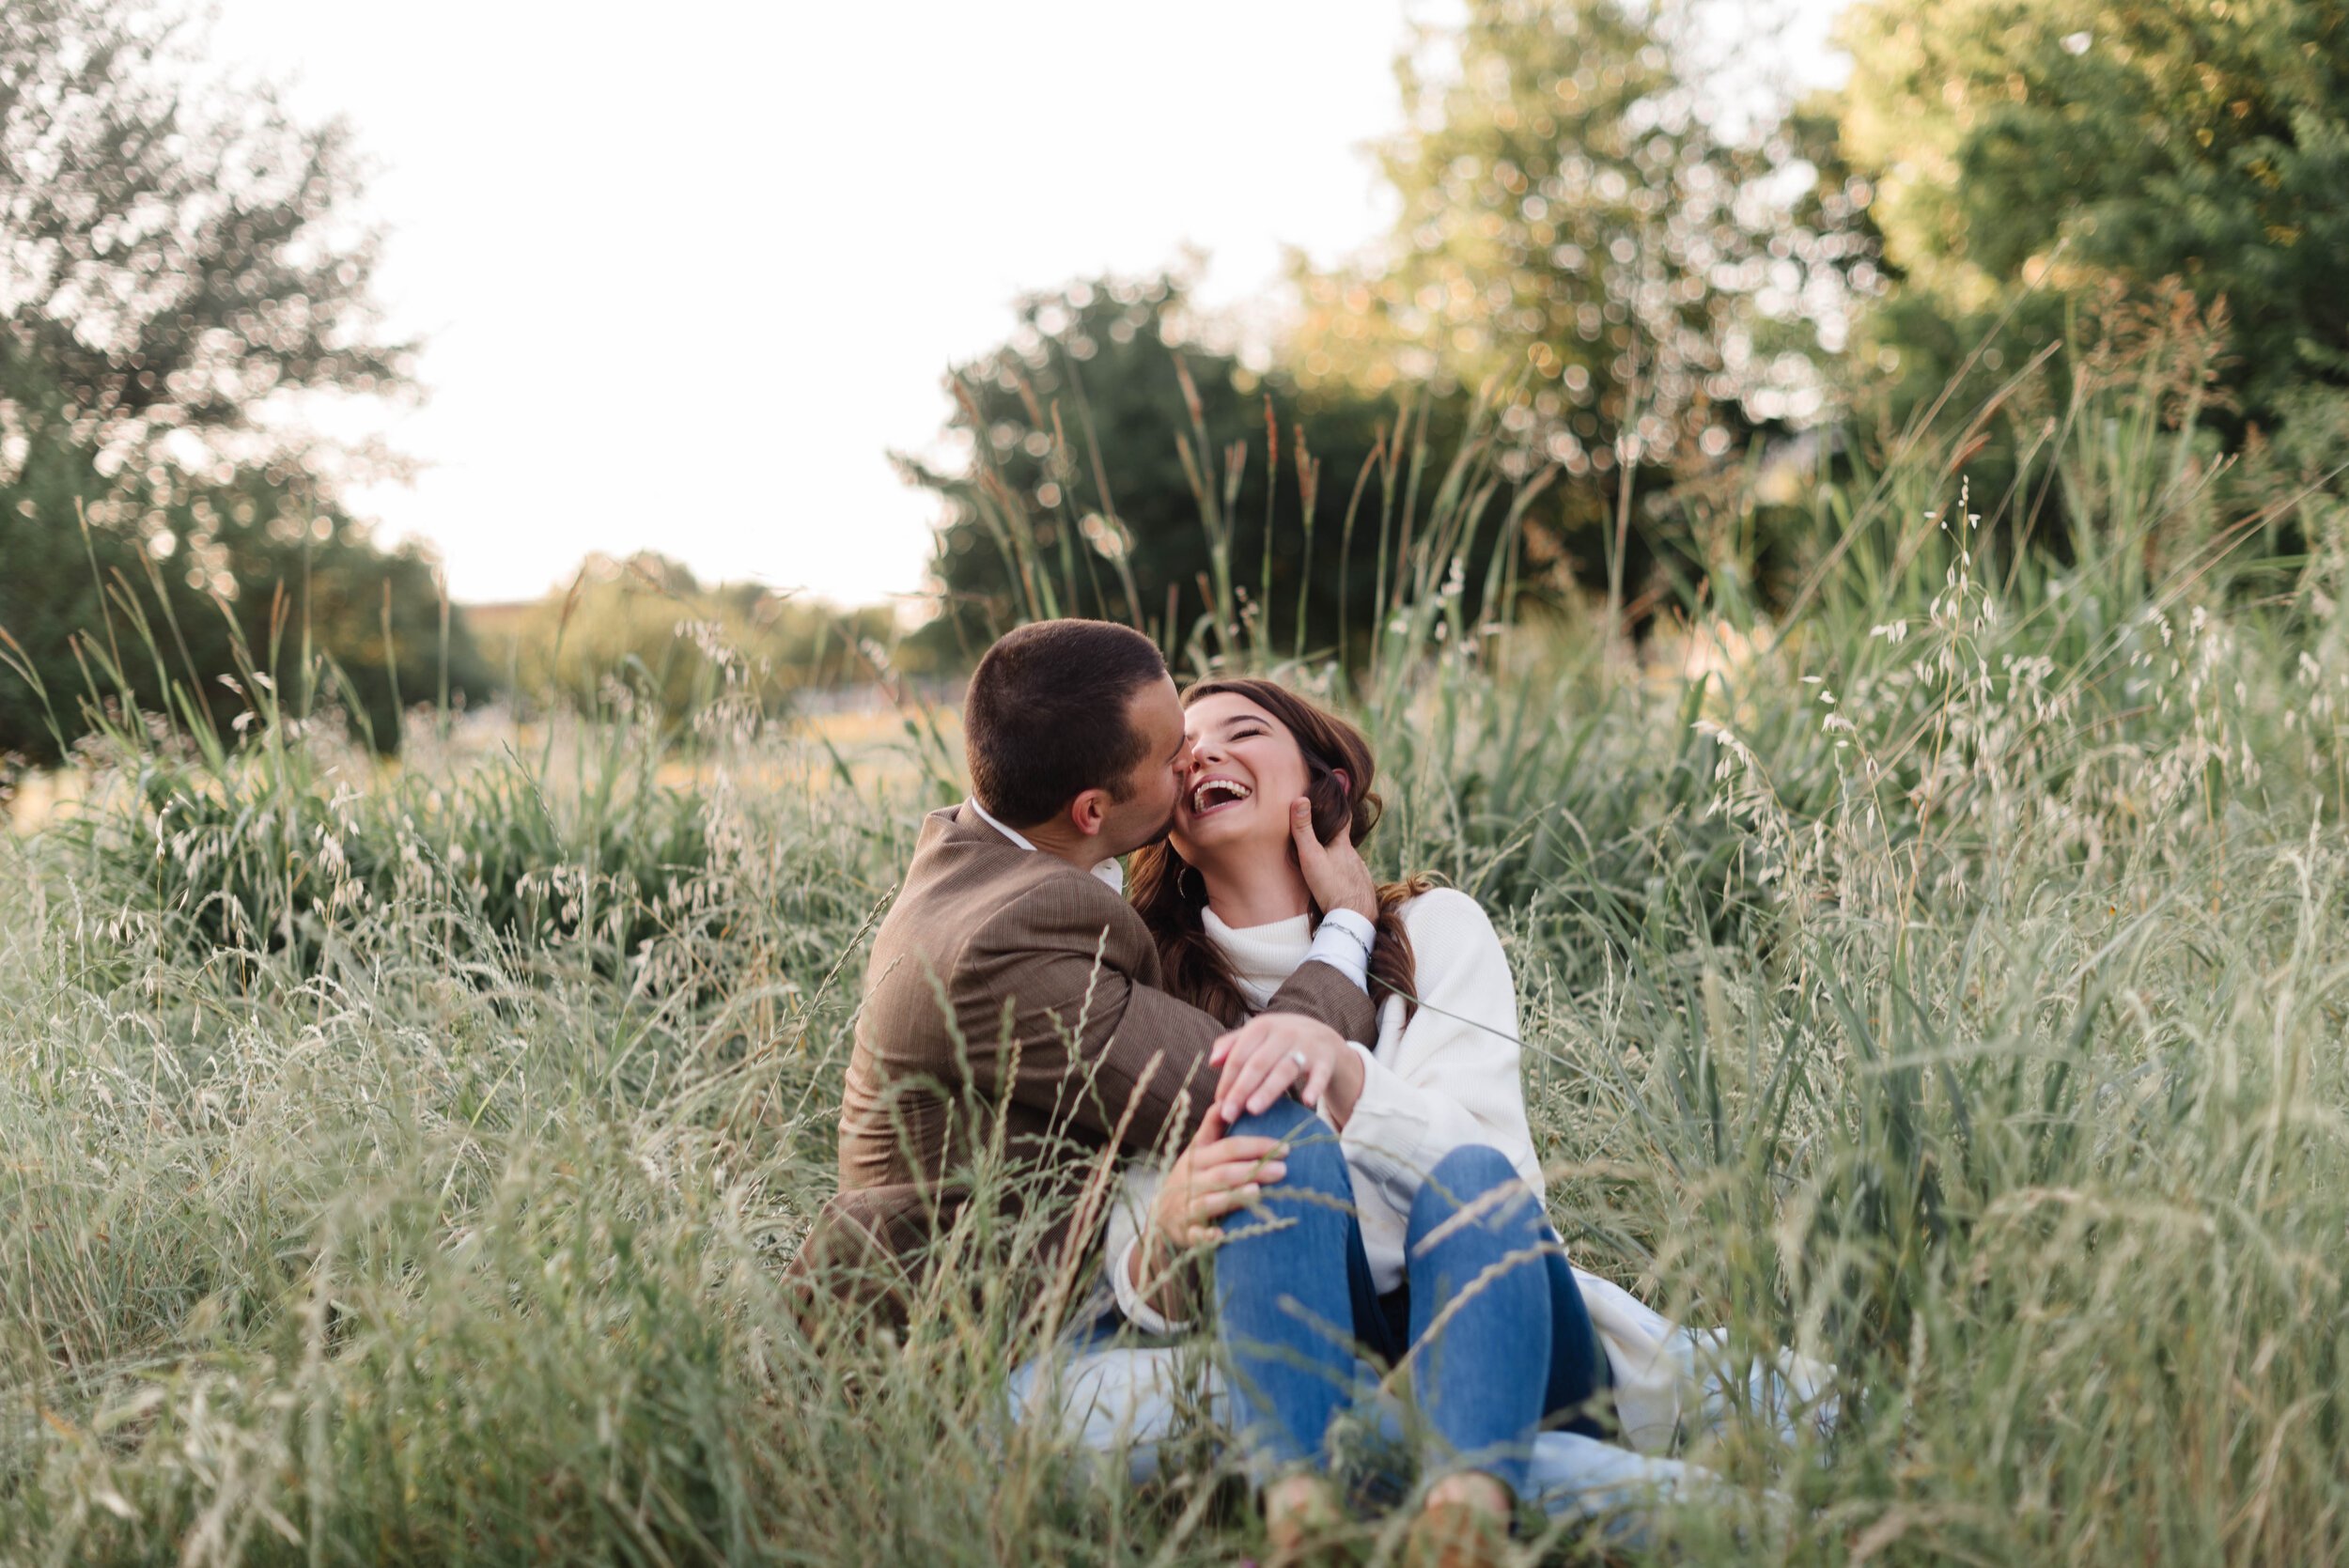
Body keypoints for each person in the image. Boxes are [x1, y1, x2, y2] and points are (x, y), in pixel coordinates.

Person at [1101, 677, 1611, 1565]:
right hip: (1306, 1366)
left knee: (1462, 1173)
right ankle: (1305, 1522)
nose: (1202, 752)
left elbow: (1496, 1181)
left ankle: (1464, 1525)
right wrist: (1167, 1236)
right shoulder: (1150, 993)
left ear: (1322, 782)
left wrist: (1343, 1071)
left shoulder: (1436, 930)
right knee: (1270, 1125)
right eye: (1182, 744)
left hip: (1503, 1327)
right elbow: (1143, 1285)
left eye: (1242, 730)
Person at [792, 621, 1385, 1333]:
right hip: (973, 1345)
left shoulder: (982, 847)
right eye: (1174, 755)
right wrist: (1348, 924)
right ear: (1093, 810)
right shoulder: (1005, 945)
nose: (1194, 759)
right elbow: (1255, 1090)